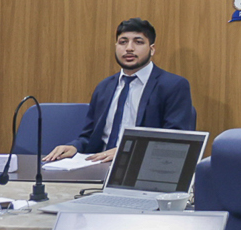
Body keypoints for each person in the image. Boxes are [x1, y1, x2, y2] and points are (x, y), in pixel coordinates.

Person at [45, 18, 197, 163]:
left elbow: (174, 141)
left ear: (152, 50)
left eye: (138, 42)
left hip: (141, 167)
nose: (129, 48)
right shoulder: (104, 87)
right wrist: (74, 147)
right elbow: (90, 137)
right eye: (123, 42)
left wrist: (126, 151)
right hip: (99, 165)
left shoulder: (173, 86)